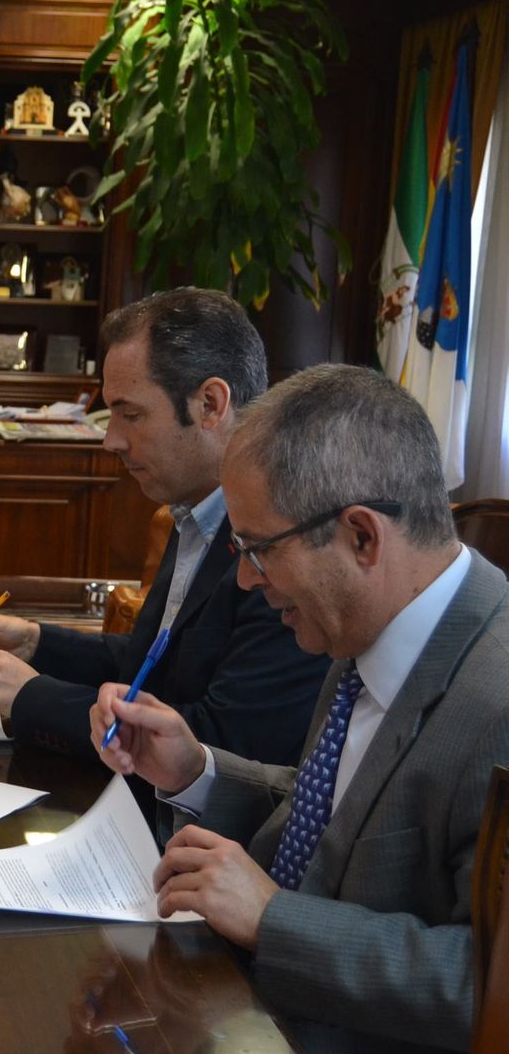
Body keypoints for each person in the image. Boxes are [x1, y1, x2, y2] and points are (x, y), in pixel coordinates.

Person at [92, 364, 509, 1050]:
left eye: (259, 549)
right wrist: (195, 771)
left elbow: (485, 983)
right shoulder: (367, 625)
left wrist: (273, 919)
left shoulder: (496, 703)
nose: (248, 580)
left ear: (362, 537)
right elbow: (336, 813)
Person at [0, 288, 326, 797]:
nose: (111, 440)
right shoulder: (194, 510)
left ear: (210, 404)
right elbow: (156, 664)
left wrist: (34, 696)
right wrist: (38, 643)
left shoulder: (281, 544)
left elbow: (216, 745)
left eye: (131, 414)